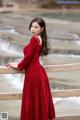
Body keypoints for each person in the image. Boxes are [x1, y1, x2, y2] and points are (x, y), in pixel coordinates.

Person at [8, 17, 55, 120]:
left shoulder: (34, 39)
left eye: (36, 27)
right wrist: (20, 63)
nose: (32, 29)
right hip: (39, 71)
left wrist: (18, 65)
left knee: (31, 100)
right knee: (37, 100)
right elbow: (31, 57)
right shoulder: (40, 39)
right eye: (31, 27)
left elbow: (28, 58)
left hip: (33, 74)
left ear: (42, 29)